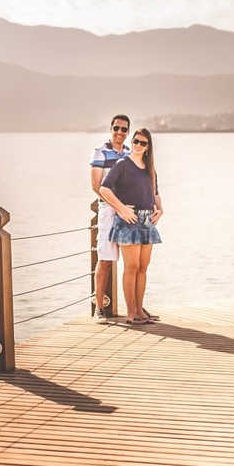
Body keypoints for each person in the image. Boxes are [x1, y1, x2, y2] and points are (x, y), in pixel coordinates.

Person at [98, 127, 163, 325]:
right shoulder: (122, 165)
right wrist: (121, 209)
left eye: (143, 143)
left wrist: (160, 209)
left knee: (143, 267)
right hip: (129, 221)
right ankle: (131, 313)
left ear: (148, 147)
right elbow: (104, 189)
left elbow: (155, 194)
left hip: (147, 222)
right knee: (132, 266)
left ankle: (140, 311)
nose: (137, 145)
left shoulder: (150, 169)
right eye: (135, 141)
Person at [90, 115, 131, 323]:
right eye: (116, 128)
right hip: (109, 210)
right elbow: (96, 186)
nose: (120, 132)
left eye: (124, 129)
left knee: (133, 262)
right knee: (105, 259)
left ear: (128, 132)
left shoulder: (131, 153)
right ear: (110, 128)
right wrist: (118, 207)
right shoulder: (100, 151)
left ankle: (134, 309)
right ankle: (99, 309)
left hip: (129, 211)